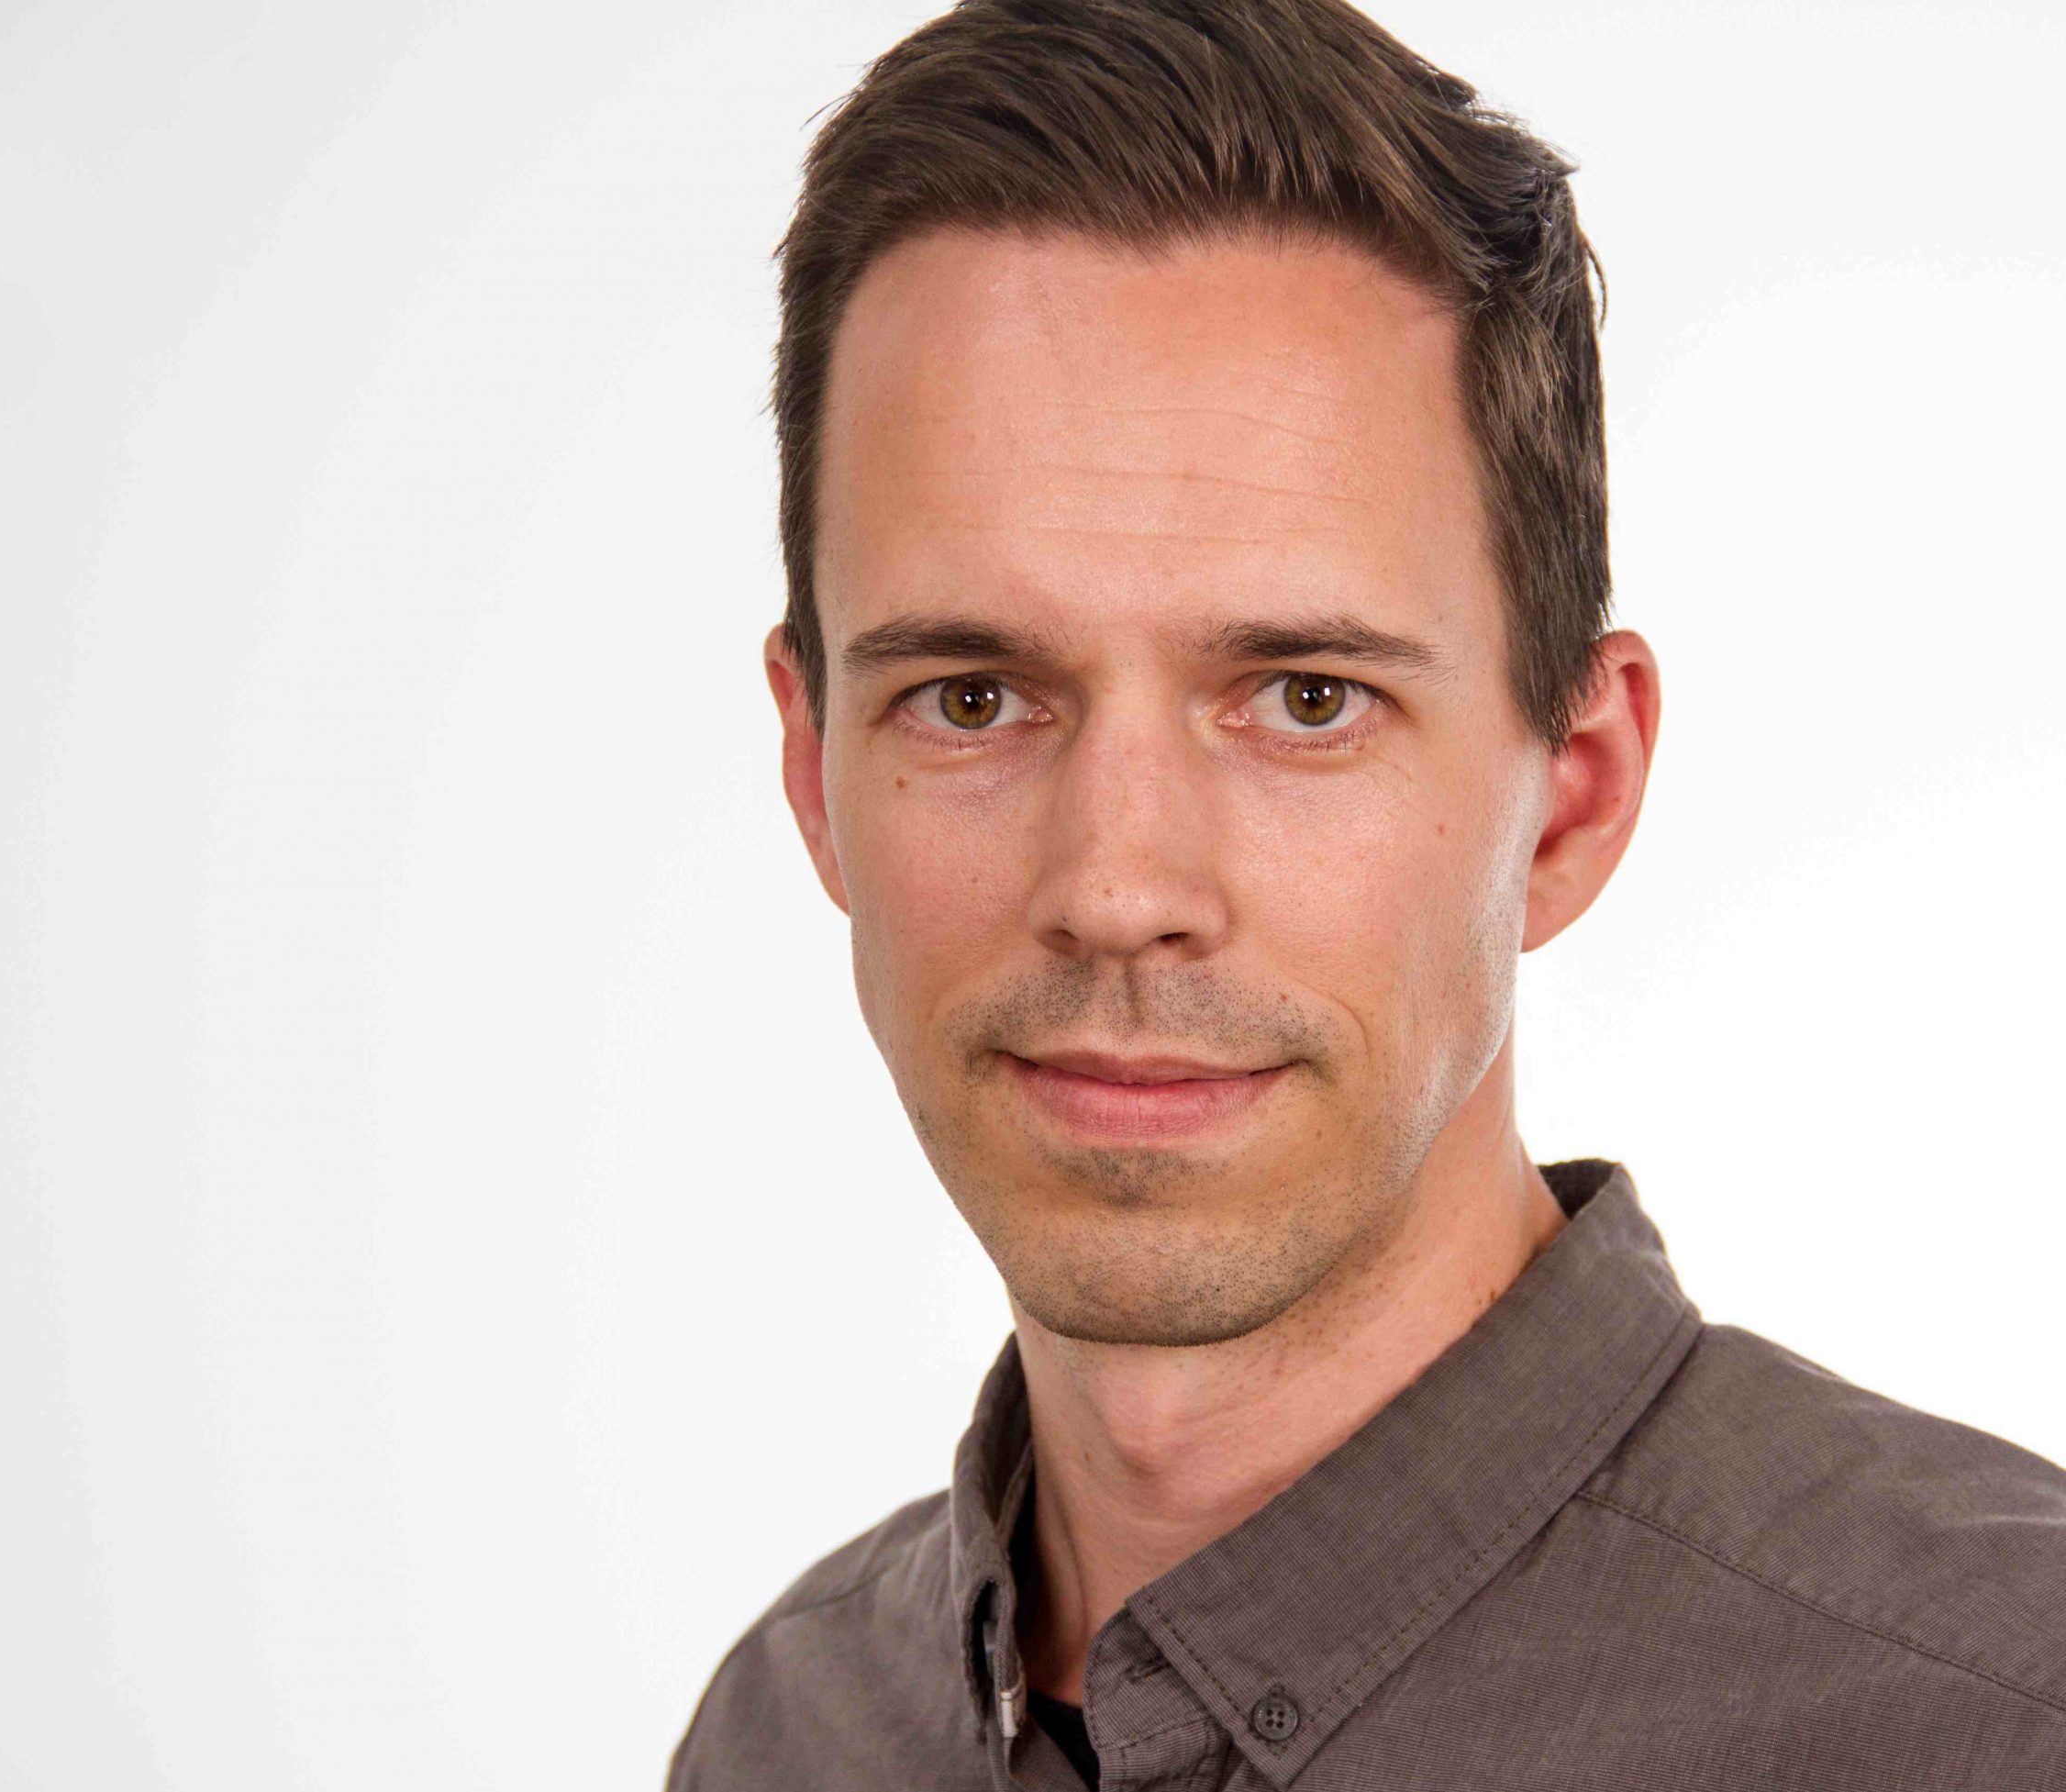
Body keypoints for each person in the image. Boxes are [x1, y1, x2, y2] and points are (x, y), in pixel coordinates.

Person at [667, 1, 2066, 1786]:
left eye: (1306, 698)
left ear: (1570, 795)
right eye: (971, 697)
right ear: (814, 775)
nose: (1117, 886)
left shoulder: (2002, 1717)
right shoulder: (787, 1732)